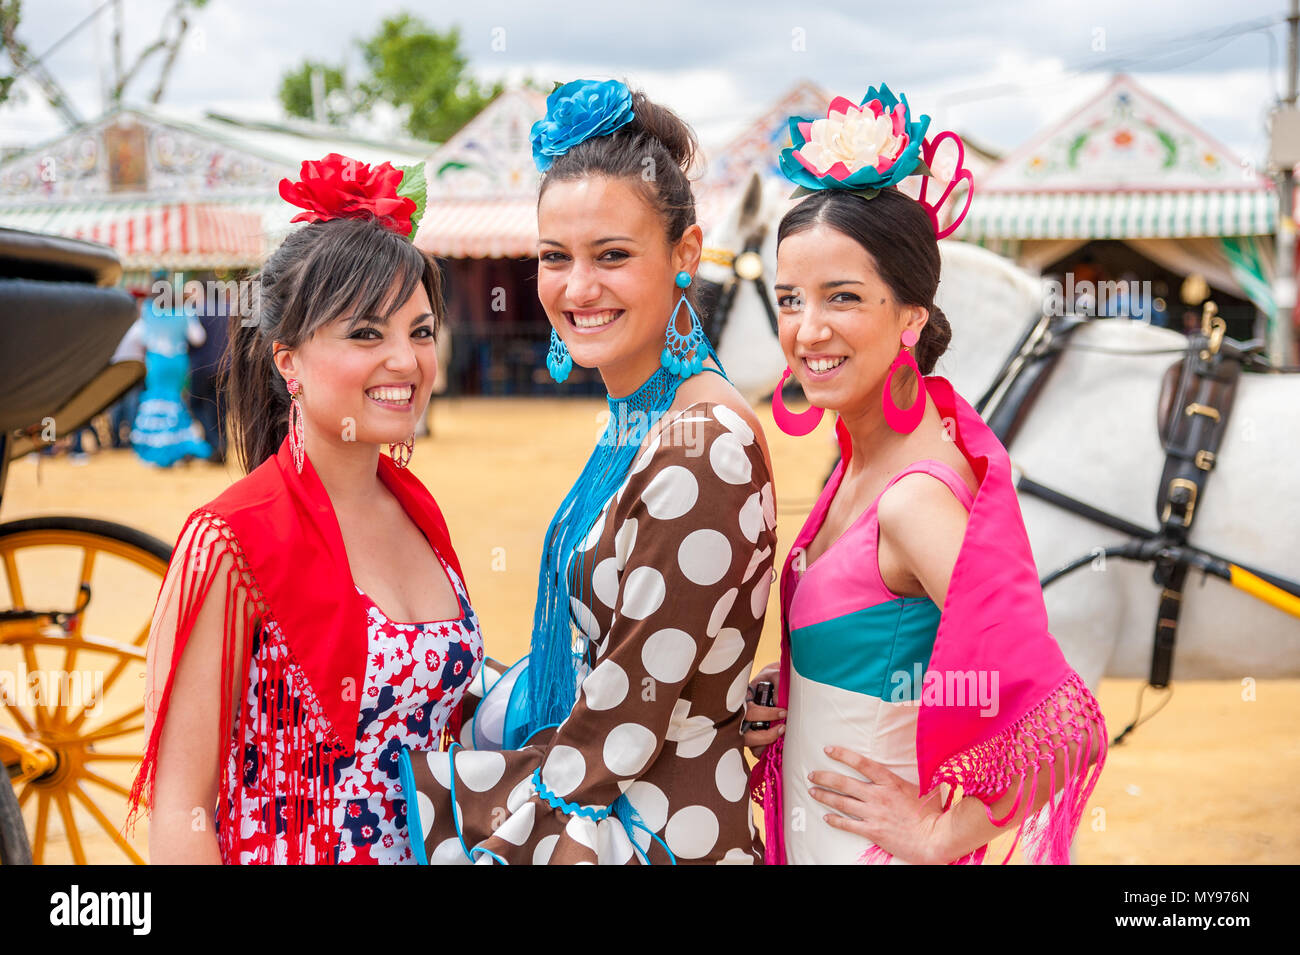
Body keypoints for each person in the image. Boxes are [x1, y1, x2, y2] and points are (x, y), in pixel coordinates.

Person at [399, 79, 777, 864]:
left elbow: (627, 713)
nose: (577, 288)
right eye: (553, 258)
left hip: (652, 829)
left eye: (611, 255)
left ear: (686, 255)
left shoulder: (706, 441)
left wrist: (498, 835)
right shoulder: (641, 418)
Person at [743, 85, 1107, 865]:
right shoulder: (861, 459)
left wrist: (941, 833)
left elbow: (1064, 724)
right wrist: (802, 681)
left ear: (911, 316)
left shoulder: (914, 499)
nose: (808, 330)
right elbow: (895, 650)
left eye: (843, 298)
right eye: (789, 299)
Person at [125, 153, 483, 864]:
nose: (407, 361)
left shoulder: (417, 513)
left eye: (419, 331)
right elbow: (182, 810)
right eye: (365, 333)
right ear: (288, 361)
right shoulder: (229, 542)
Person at [130, 268, 214, 466]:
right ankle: (178, 448)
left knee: (156, 399)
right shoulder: (183, 309)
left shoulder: (147, 309)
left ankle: (157, 449)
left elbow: (139, 336)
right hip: (177, 362)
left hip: (157, 362)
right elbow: (198, 337)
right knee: (176, 401)